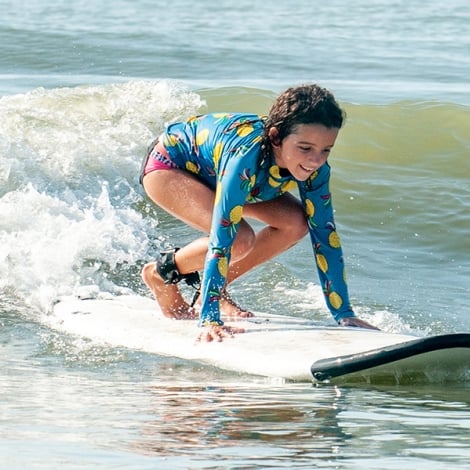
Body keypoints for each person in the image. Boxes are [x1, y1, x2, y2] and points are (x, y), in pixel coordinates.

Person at [140, 83, 378, 342]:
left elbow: (325, 237)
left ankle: (214, 294)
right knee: (239, 239)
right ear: (276, 137)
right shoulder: (245, 157)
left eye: (326, 150)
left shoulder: (316, 170)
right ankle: (160, 273)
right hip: (170, 166)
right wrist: (209, 320)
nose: (316, 160)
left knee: (297, 223)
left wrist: (344, 313)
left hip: (229, 176)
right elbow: (222, 240)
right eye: (305, 148)